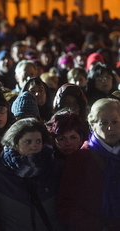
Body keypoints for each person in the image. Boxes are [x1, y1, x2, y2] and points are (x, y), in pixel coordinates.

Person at [0, 118, 66, 230]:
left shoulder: (54, 168)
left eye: (38, 141)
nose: (34, 146)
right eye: (28, 142)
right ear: (15, 143)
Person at [57, 98, 120, 230]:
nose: (110, 127)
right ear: (92, 125)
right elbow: (66, 205)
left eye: (115, 122)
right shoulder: (80, 159)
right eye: (104, 123)